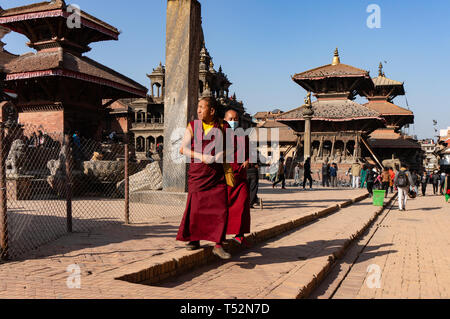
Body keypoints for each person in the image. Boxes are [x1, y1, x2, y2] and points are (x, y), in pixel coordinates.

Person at [176, 97, 231, 260]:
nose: (198, 110)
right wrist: (201, 156)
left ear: (212, 110)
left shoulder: (222, 126)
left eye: (202, 107)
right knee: (196, 208)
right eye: (198, 107)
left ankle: (218, 244)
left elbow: (232, 147)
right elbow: (183, 149)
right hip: (198, 172)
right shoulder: (193, 126)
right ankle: (194, 239)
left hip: (216, 174)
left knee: (220, 208)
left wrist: (222, 154)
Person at [223, 109, 251, 246]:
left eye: (235, 119)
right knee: (224, 207)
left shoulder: (243, 136)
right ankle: (221, 233)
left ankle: (239, 234)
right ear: (224, 119)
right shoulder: (220, 135)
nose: (233, 122)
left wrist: (247, 161)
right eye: (230, 119)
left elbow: (249, 153)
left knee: (243, 202)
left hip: (240, 176)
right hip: (226, 175)